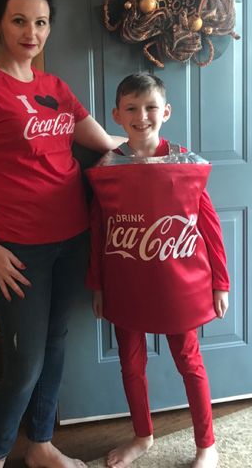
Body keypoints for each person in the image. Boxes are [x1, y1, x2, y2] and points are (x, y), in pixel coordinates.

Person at [0, 0, 122, 468]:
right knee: (24, 364)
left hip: (73, 239)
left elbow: (106, 145)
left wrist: (158, 145)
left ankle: (41, 446)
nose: (31, 32)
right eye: (19, 20)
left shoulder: (55, 87)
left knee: (56, 343)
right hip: (16, 250)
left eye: (41, 22)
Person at [85, 73, 230, 468]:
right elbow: (100, 230)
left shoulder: (185, 163)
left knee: (189, 361)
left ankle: (207, 444)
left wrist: (220, 282)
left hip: (177, 286)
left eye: (150, 107)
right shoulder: (108, 167)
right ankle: (142, 436)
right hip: (126, 282)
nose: (141, 116)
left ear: (165, 111)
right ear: (116, 115)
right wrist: (97, 284)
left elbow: (209, 225)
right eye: (131, 108)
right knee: (130, 363)